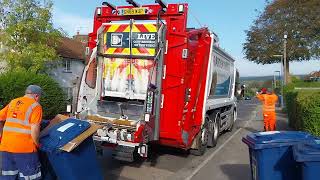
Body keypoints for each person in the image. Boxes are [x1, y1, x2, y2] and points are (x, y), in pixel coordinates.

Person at [0, 85, 43, 180]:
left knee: (7, 176)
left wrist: (1, 135)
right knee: (31, 177)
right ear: (37, 96)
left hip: (5, 147)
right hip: (25, 149)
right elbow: (34, 129)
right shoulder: (36, 106)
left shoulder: (13, 102)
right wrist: (37, 144)